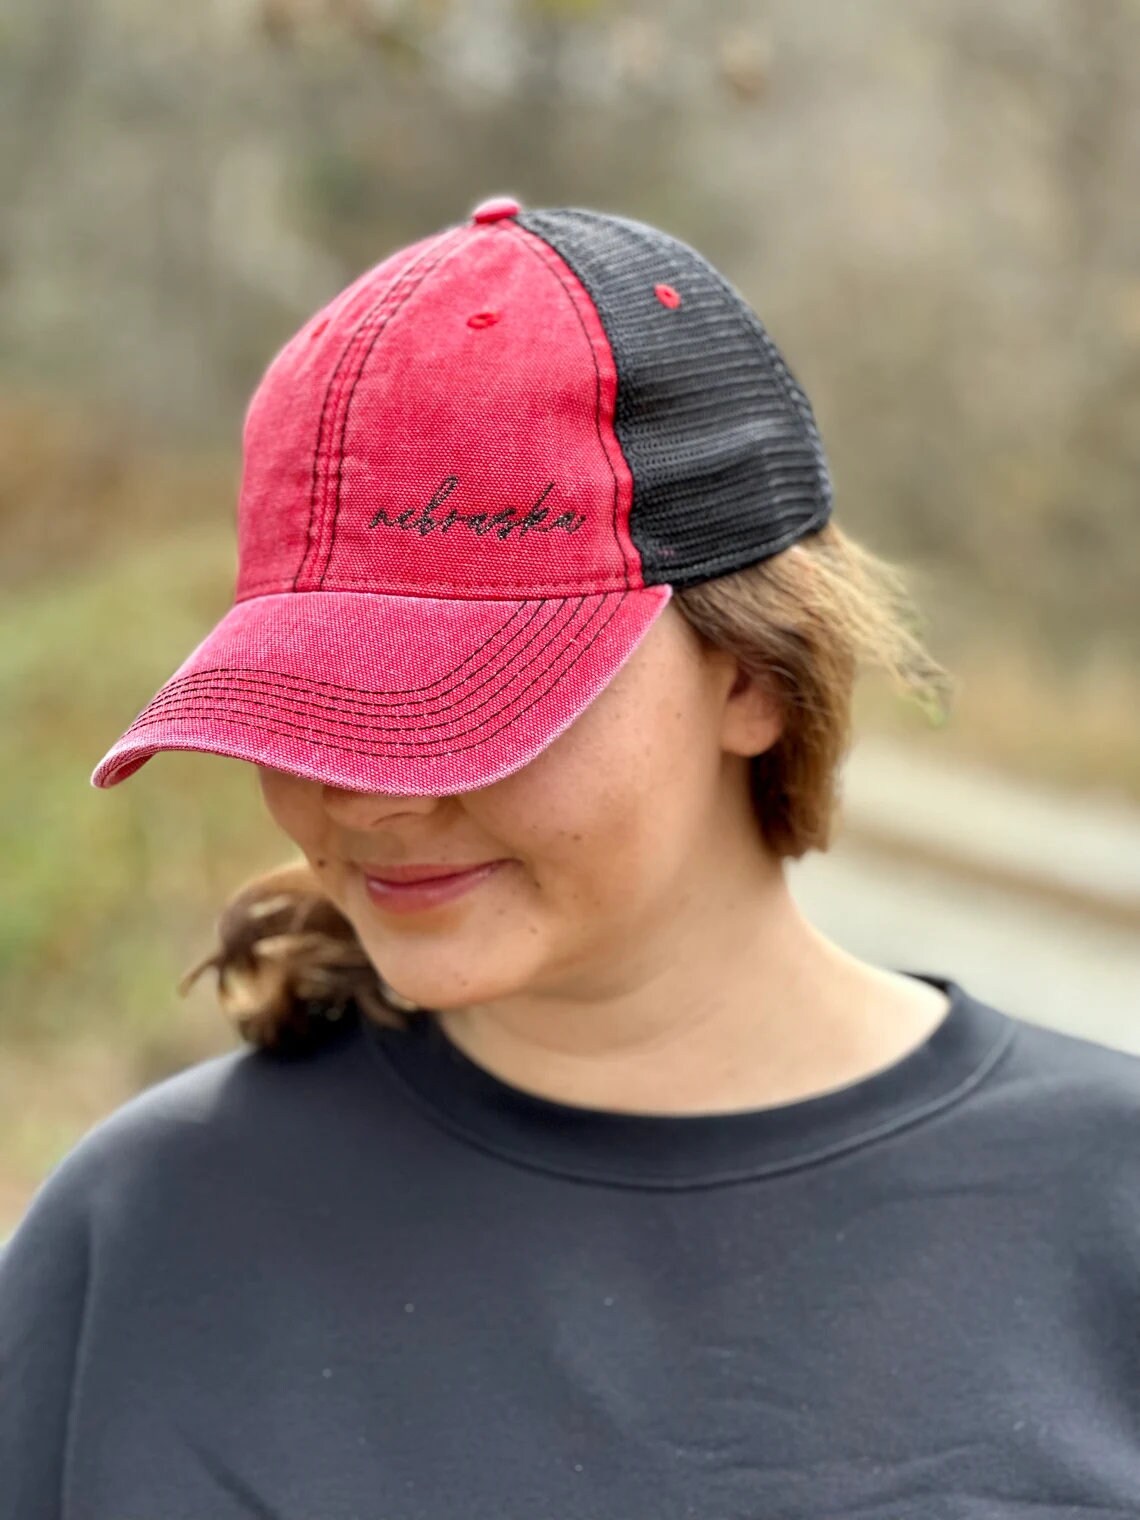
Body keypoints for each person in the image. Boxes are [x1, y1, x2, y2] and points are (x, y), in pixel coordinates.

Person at [2, 197, 1138, 1520]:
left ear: (753, 679)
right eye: (306, 705)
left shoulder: (1104, 1218)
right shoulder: (145, 1242)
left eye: (471, 703)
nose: (369, 797)